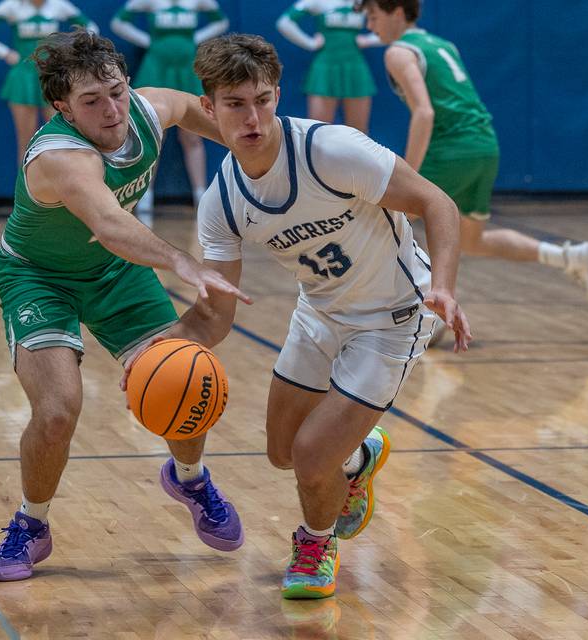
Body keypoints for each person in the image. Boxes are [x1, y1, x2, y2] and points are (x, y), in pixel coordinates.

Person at [122, 33, 471, 599]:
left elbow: (438, 202)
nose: (252, 116)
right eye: (234, 104)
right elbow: (214, 318)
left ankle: (315, 542)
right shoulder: (223, 201)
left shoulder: (332, 150)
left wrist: (447, 288)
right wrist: (153, 352)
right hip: (320, 312)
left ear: (277, 94)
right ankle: (360, 456)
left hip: (393, 315)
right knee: (282, 452)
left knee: (311, 457)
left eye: (261, 99)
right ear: (209, 109)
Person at [0, 29, 252, 582]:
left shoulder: (147, 110)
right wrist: (181, 261)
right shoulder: (59, 156)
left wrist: (262, 147)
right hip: (40, 277)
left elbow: (187, 108)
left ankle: (191, 478)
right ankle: (31, 525)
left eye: (116, 91)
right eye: (91, 101)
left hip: (114, 274)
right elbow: (109, 225)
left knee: (180, 375)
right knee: (57, 410)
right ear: (62, 108)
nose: (111, 110)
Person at [361, 0, 588, 302]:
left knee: (389, 219)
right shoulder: (442, 44)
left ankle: (424, 312)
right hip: (485, 145)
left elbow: (424, 112)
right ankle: (567, 257)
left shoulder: (398, 52)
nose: (370, 26)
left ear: (396, 11)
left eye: (373, 16)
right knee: (472, 240)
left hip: (452, 148)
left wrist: (408, 174)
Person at [111, 0, 229, 214]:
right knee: (153, 133)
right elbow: (118, 22)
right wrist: (148, 40)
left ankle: (200, 193)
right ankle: (145, 193)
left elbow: (221, 22)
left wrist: (196, 39)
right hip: (156, 66)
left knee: (193, 135)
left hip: (187, 67)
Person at [0, 0, 99, 164]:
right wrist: (5, 53)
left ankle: (59, 187)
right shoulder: (12, 6)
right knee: (27, 142)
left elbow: (91, 27)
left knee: (59, 139)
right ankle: (26, 189)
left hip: (52, 76)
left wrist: (71, 50)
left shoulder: (58, 5)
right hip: (23, 78)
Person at [276, 0, 380, 132]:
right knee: (319, 131)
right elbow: (284, 22)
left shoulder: (365, 3)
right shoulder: (317, 1)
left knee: (359, 133)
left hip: (355, 68)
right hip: (324, 69)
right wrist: (310, 43)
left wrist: (369, 40)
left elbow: (393, 24)